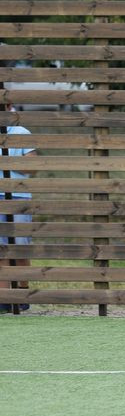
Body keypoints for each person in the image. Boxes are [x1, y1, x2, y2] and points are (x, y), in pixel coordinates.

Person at [0, 102, 37, 314]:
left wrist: (8, 160)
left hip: (18, 195)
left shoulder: (20, 132)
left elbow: (32, 167)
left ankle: (22, 292)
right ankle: (4, 298)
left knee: (20, 247)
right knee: (1, 247)